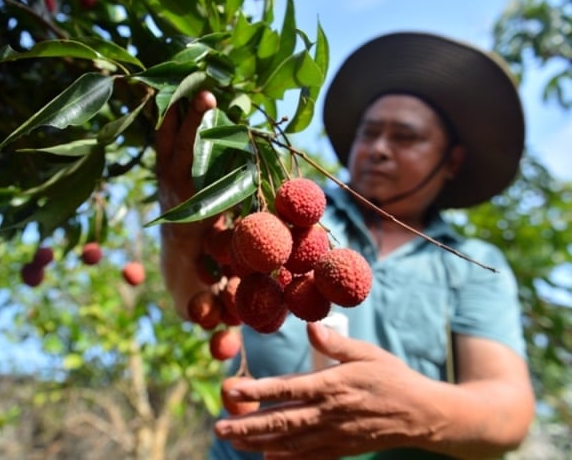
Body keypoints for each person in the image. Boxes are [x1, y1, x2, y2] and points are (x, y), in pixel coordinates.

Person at [155, 31, 536, 459]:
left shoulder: (473, 265)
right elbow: (197, 296)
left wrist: (416, 410)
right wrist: (181, 217)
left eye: (404, 137)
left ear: (452, 161)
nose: (378, 149)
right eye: (368, 133)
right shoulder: (283, 209)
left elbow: (509, 413)